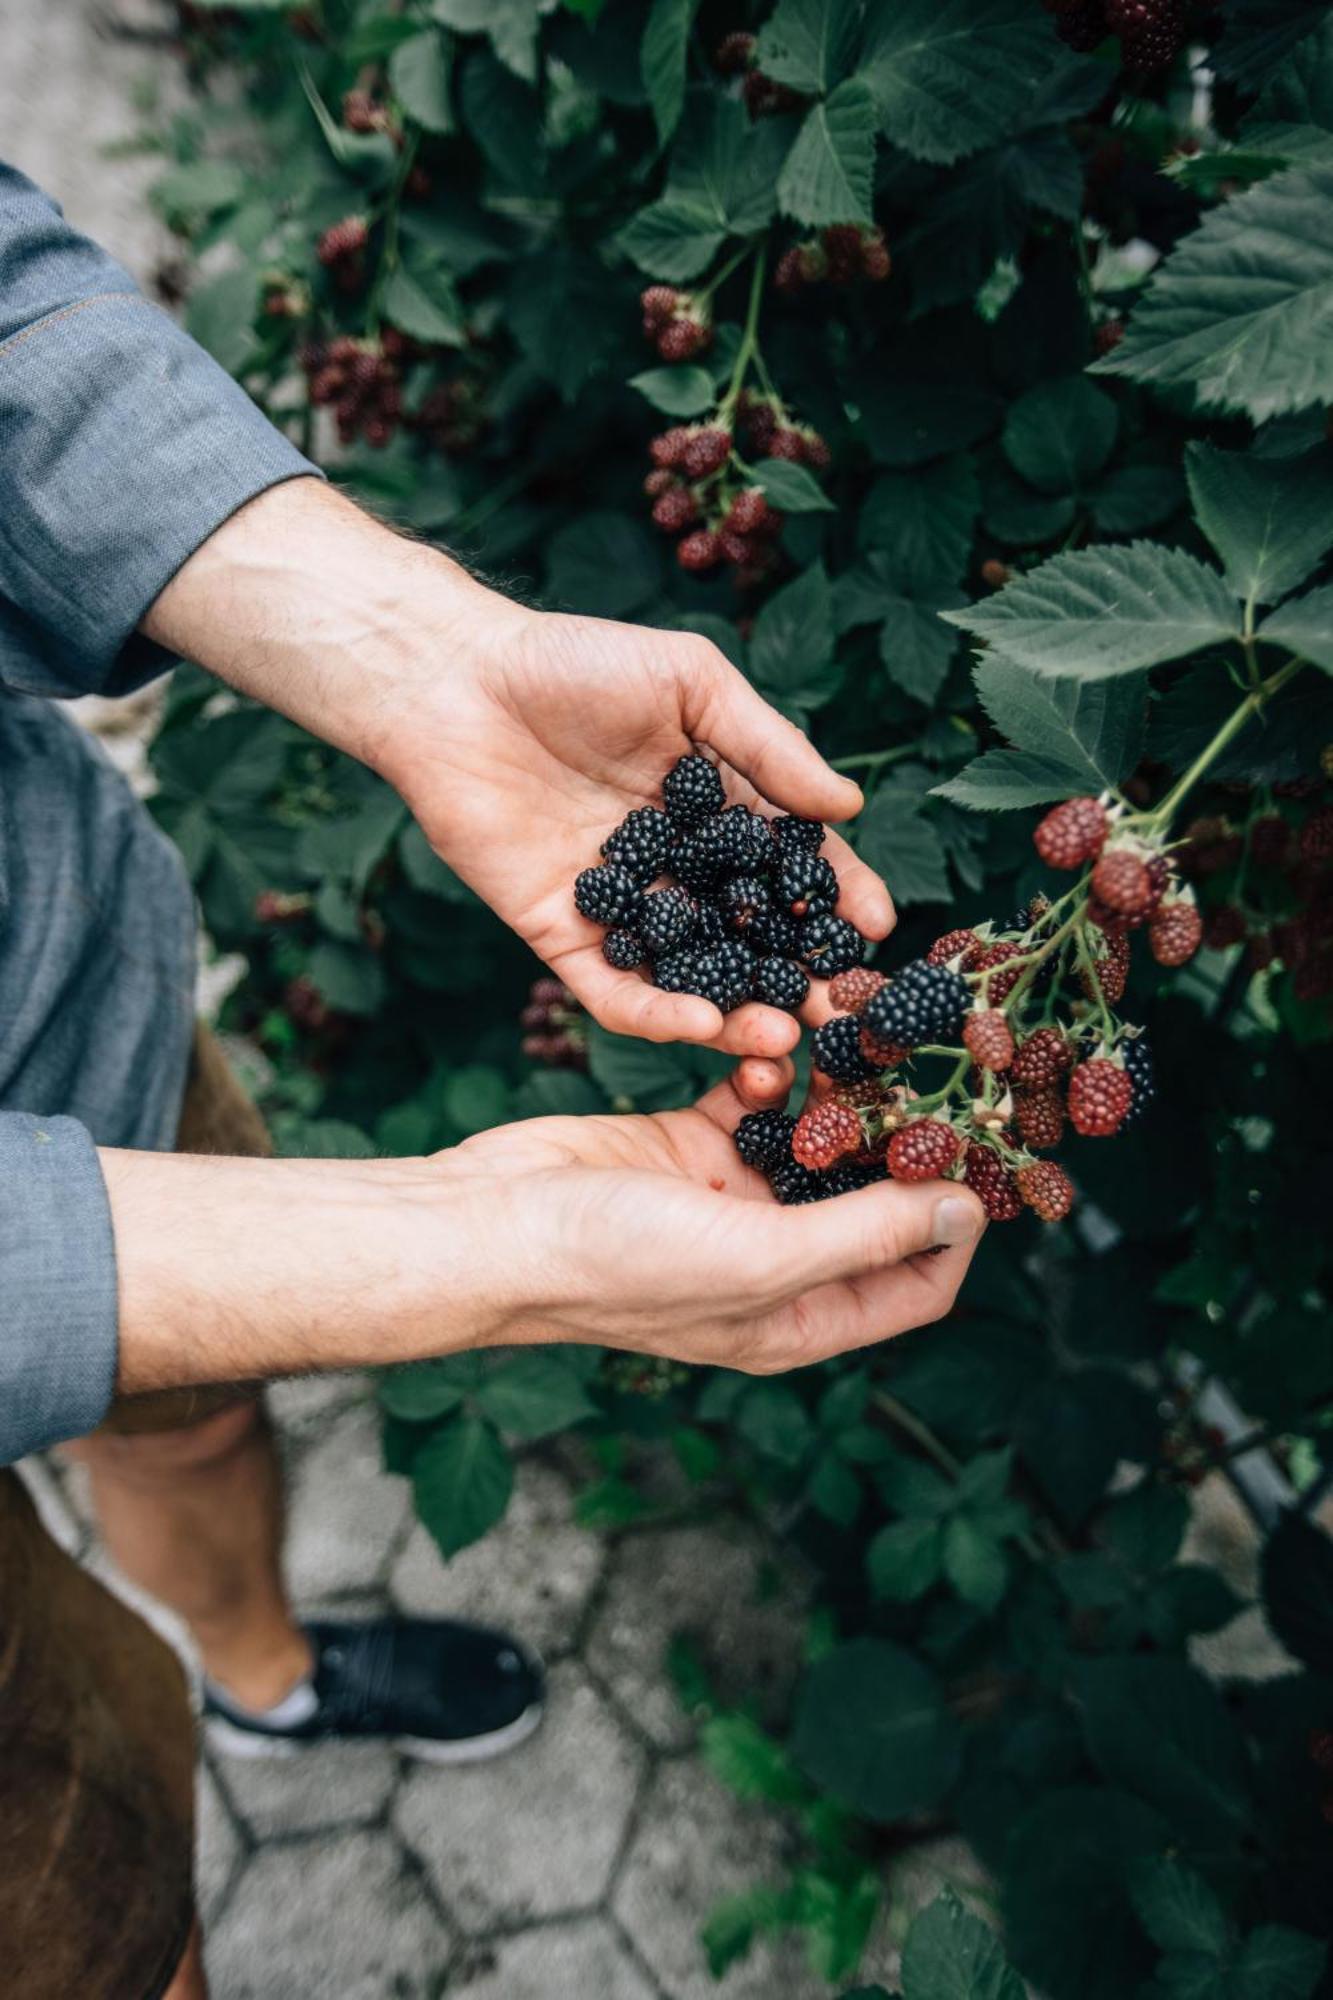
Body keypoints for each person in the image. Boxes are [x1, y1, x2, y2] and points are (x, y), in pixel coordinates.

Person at [0, 160, 986, 2000]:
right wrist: (479, 1243)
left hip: (42, 954)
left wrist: (424, 654)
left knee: (199, 1413)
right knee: (95, 1929)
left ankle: (267, 1680)